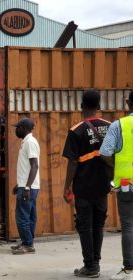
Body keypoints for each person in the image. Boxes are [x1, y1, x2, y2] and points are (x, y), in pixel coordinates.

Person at [62, 90, 111, 278]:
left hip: (83, 187)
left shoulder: (76, 130)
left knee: (85, 226)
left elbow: (73, 162)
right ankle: (95, 263)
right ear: (99, 106)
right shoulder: (110, 127)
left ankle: (90, 266)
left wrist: (66, 186)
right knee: (98, 225)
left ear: (81, 106)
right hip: (103, 186)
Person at [100, 91, 133, 280]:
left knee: (128, 226)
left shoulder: (118, 125)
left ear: (128, 103)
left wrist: (116, 166)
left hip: (126, 184)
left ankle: (129, 270)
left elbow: (104, 153)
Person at [11, 118, 40, 255]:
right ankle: (27, 242)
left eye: (17, 127)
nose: (16, 130)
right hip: (27, 186)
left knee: (22, 217)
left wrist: (26, 187)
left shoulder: (30, 142)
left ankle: (28, 244)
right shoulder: (26, 142)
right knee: (30, 217)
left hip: (29, 188)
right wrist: (20, 185)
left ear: (23, 128)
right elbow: (27, 167)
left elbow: (34, 165)